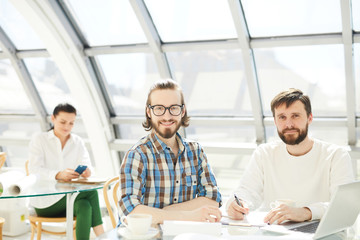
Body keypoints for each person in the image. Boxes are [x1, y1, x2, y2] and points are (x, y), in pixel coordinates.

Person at [227, 88, 354, 224]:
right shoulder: (264, 153)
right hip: (275, 231)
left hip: (319, 232)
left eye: (295, 116)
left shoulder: (336, 155)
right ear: (275, 121)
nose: (289, 124)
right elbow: (247, 191)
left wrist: (306, 212)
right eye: (282, 117)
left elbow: (343, 206)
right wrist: (238, 204)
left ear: (309, 118)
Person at [119, 79, 222, 224]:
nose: (167, 116)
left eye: (173, 108)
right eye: (159, 108)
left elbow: (212, 200)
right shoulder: (137, 155)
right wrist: (188, 215)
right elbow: (131, 212)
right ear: (149, 112)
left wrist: (163, 213)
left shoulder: (196, 151)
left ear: (183, 111)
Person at [28, 103, 104, 240]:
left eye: (71, 123)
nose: (67, 127)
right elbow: (34, 170)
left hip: (70, 200)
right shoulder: (40, 139)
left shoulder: (77, 142)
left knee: (85, 206)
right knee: (91, 192)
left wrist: (87, 172)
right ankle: (104, 236)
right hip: (45, 202)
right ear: (53, 118)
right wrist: (58, 174)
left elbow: (87, 165)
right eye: (63, 122)